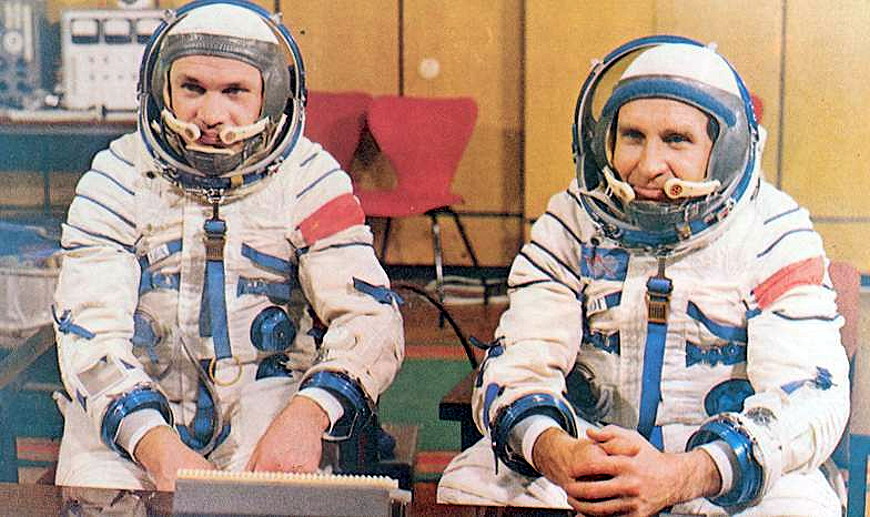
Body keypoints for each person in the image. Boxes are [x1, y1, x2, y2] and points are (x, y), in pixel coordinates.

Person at [437, 36, 849, 516]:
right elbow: (521, 358)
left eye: (676, 140)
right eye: (632, 136)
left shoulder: (775, 233)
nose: (649, 166)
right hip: (589, 453)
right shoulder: (574, 220)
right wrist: (557, 451)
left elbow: (809, 395)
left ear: (725, 149)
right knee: (467, 485)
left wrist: (686, 473)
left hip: (719, 468)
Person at [52, 0, 403, 493]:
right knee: (100, 498)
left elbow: (370, 317)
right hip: (131, 413)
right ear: (162, 88)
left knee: (272, 498)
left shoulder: (309, 179)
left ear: (271, 95)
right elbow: (90, 333)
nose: (211, 116)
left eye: (235, 91)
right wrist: (152, 443)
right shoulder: (116, 178)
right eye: (192, 88)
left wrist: (310, 413)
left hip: (269, 410)